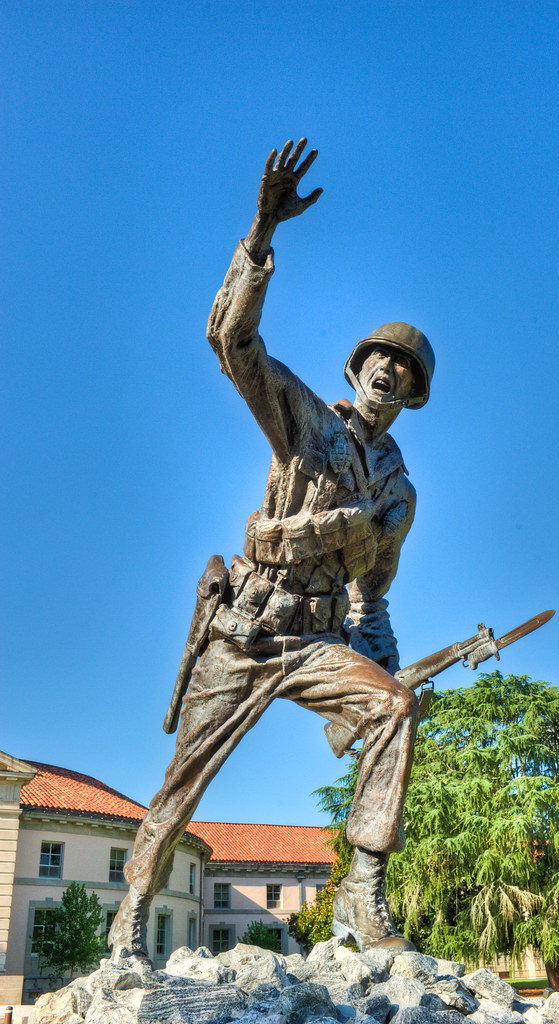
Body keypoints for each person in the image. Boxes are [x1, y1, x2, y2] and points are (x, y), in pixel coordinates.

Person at [108, 139, 435, 964]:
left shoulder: (397, 491)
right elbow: (232, 342)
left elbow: (373, 596)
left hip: (318, 642)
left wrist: (382, 673)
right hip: (248, 628)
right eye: (379, 361)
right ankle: (132, 914)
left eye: (404, 370)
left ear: (413, 395)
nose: (388, 374)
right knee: (185, 784)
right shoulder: (306, 421)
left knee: (394, 710)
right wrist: (260, 233)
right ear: (357, 369)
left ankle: (361, 895)